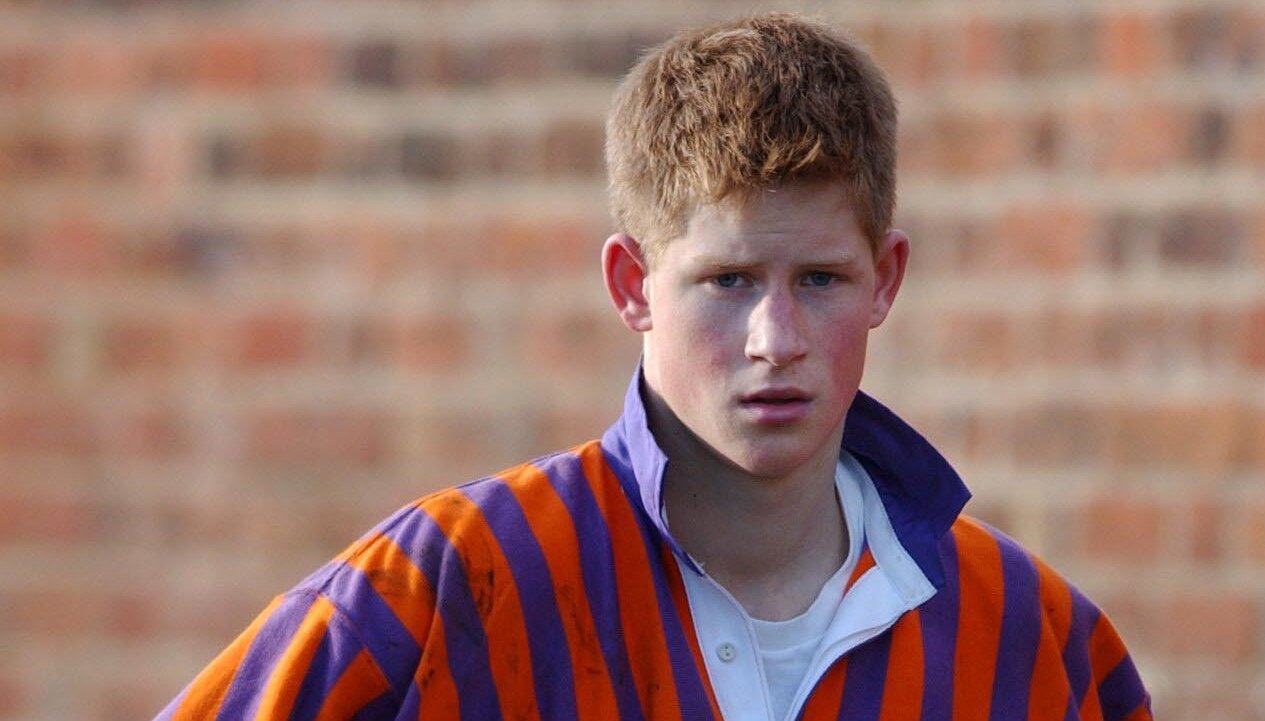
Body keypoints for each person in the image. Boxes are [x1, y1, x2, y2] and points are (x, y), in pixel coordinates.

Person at [155, 13, 1152, 721]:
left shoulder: (1029, 636)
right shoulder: (452, 585)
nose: (774, 338)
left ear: (884, 279)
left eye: (818, 279)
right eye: (725, 281)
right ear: (631, 284)